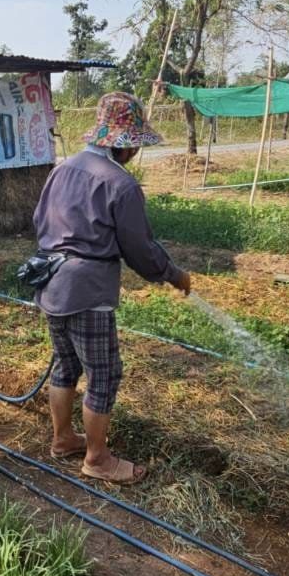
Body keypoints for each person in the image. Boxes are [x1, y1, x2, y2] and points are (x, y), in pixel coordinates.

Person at [31, 91, 192, 485]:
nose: (135, 152)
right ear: (124, 143)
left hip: (51, 283)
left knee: (66, 364)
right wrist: (173, 274)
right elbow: (140, 249)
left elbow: (39, 220)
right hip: (88, 291)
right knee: (103, 374)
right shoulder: (120, 184)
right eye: (134, 144)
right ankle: (97, 458)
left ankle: (63, 439)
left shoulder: (61, 170)